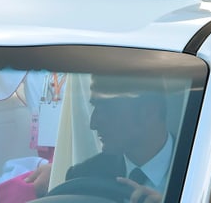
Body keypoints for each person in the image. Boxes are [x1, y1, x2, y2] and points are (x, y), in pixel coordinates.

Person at [63, 75, 169, 203]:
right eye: (94, 107)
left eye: (107, 108)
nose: (93, 124)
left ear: (149, 111)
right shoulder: (82, 177)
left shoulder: (197, 179)